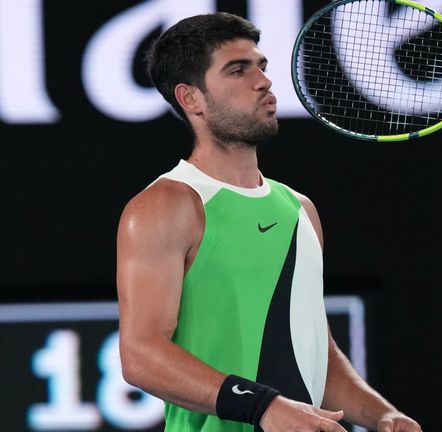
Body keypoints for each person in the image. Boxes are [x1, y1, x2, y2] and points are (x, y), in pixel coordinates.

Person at [115, 11, 423, 432]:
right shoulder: (166, 205)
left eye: (261, 66)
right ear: (191, 99)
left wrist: (382, 415)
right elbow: (142, 355)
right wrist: (263, 406)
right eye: (238, 70)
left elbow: (316, 352)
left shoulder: (299, 210)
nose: (263, 81)